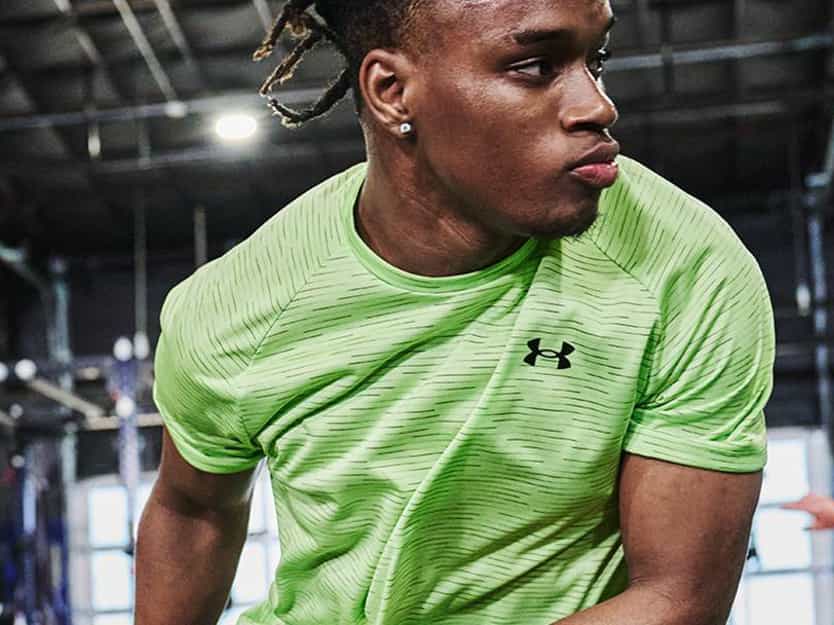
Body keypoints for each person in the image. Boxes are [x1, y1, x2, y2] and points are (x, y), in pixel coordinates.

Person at [134, 1, 777, 624]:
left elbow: (677, 600)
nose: (597, 105)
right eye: (534, 66)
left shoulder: (682, 264)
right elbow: (194, 509)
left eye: (596, 59)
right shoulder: (238, 307)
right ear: (392, 92)